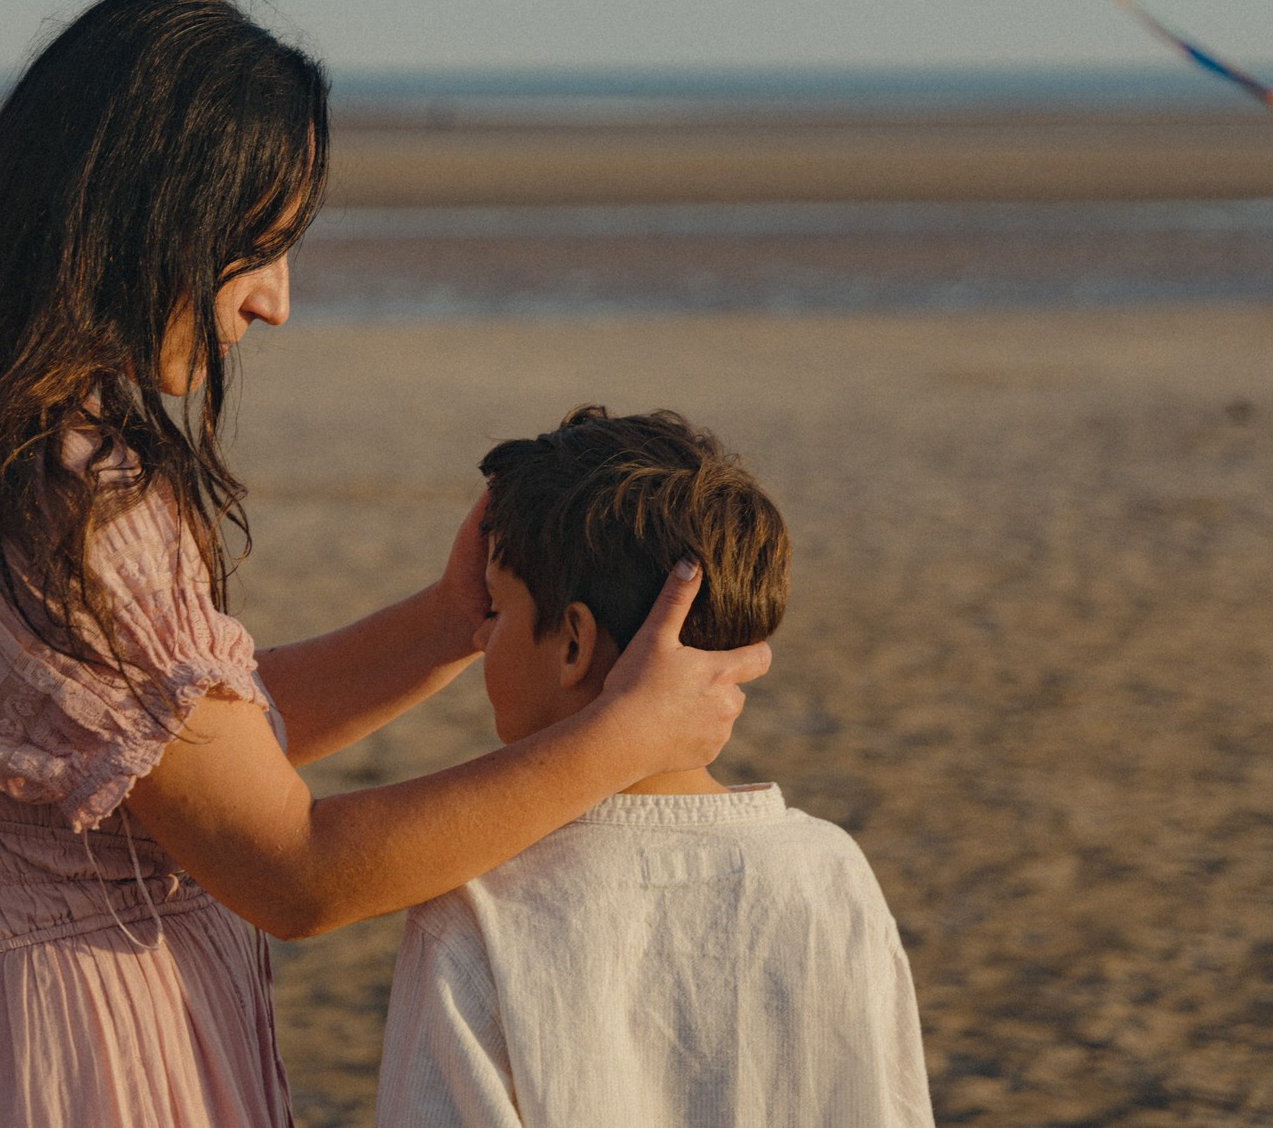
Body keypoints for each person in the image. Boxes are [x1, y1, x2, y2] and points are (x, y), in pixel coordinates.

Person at [0, 0, 771, 1125]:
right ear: (147, 214)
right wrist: (622, 739)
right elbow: (293, 868)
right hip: (59, 1060)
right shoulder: (63, 494)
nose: (275, 301)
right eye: (256, 247)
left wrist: (441, 625)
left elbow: (170, 756)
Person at [374, 406, 933, 1127]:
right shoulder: (832, 872)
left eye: (499, 609)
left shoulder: (477, 908)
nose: (480, 634)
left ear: (572, 642)